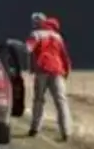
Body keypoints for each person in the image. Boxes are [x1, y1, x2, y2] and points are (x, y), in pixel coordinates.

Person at [26, 12, 73, 142]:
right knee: (61, 101)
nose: (33, 24)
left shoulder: (35, 34)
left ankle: (35, 128)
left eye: (35, 22)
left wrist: (29, 65)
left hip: (42, 70)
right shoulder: (57, 36)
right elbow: (64, 55)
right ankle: (66, 131)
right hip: (57, 70)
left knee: (39, 100)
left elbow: (28, 48)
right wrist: (66, 70)